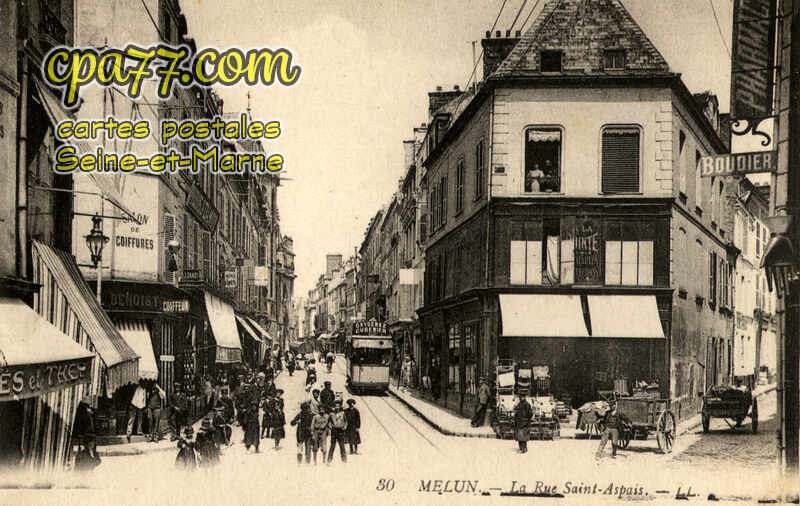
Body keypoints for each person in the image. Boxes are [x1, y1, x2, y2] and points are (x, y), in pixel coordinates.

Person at [73, 396, 100, 471]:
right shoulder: (82, 410)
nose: (91, 399)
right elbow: (81, 424)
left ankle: (88, 468)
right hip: (86, 435)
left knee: (89, 453)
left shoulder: (89, 410)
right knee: (87, 453)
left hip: (89, 435)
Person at [327, 399, 348, 464]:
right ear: (334, 407)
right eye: (335, 406)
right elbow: (328, 422)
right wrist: (330, 427)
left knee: (342, 446)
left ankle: (344, 460)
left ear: (340, 407)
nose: (337, 408)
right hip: (334, 431)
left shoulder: (343, 413)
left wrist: (344, 426)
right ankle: (329, 460)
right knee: (332, 446)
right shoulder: (331, 414)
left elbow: (346, 422)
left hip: (341, 431)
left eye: (338, 406)